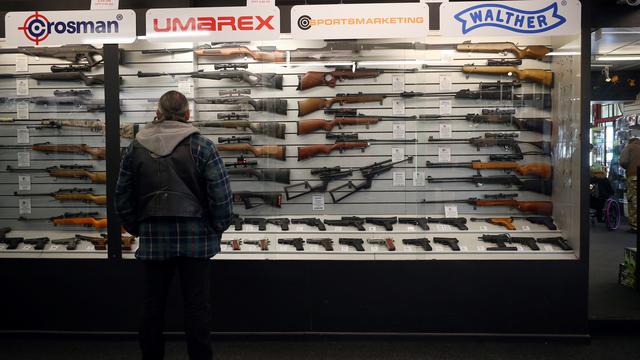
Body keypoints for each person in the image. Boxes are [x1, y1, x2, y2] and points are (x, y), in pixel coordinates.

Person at [115, 90, 233, 360]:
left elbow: (122, 196)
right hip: (197, 239)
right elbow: (221, 196)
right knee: (197, 308)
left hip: (154, 238)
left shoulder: (137, 147)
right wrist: (217, 227)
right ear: (187, 114)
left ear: (158, 113)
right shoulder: (202, 146)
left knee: (153, 305)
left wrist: (138, 228)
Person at [620, 136, 640, 232]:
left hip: (633, 176)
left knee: (633, 201)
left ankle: (635, 226)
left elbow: (623, 161)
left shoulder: (629, 147)